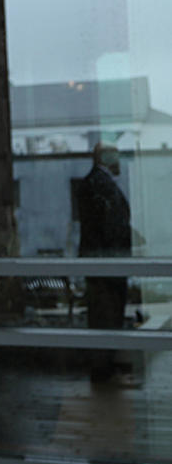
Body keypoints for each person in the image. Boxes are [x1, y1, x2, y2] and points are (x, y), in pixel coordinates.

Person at [78, 142, 133, 383]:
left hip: (106, 266)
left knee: (107, 317)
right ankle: (103, 371)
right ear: (106, 157)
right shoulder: (97, 184)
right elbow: (109, 227)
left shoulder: (97, 183)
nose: (120, 160)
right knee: (106, 317)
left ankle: (106, 369)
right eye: (116, 154)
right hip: (106, 267)